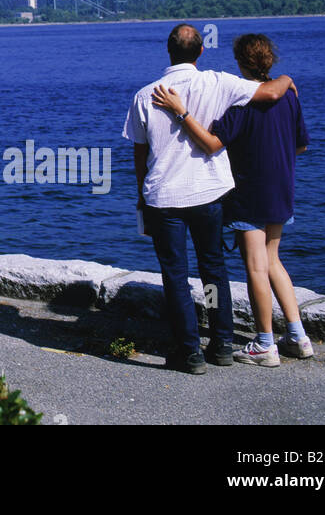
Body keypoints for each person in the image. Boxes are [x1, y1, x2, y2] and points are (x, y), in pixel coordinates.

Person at [123, 24, 294, 374]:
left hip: (164, 197)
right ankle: (220, 345)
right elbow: (270, 93)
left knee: (175, 275)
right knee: (213, 270)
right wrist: (288, 79)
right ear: (201, 51)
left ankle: (189, 351)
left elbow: (140, 156)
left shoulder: (144, 96)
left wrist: (142, 196)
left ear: (168, 52)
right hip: (208, 194)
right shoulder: (219, 82)